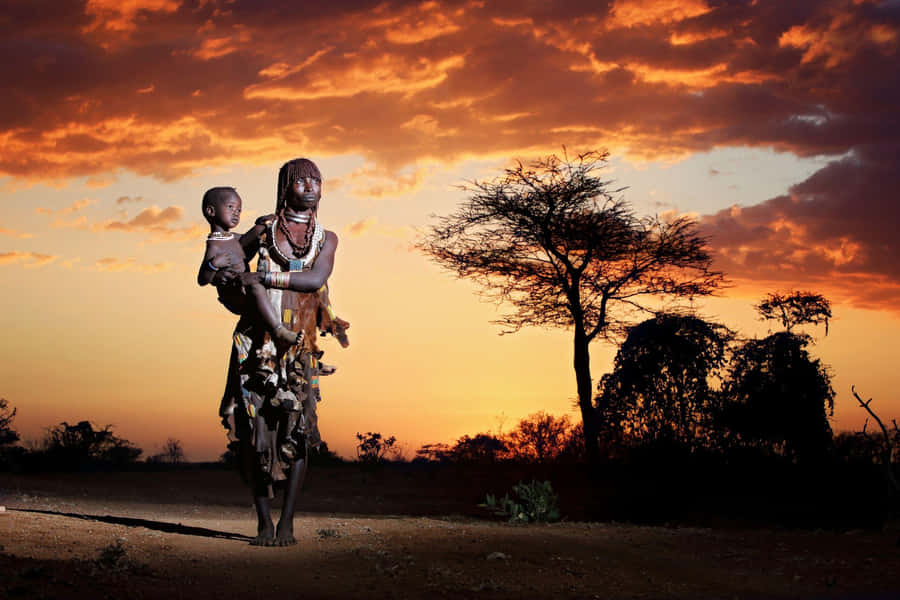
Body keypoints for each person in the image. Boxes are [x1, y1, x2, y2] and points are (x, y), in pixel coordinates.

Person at [219, 158, 348, 546]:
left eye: (316, 181)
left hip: (300, 343)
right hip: (256, 343)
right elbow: (221, 266)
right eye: (300, 181)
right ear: (285, 186)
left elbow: (315, 278)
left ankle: (288, 522)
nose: (309, 187)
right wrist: (230, 269)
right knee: (254, 429)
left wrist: (264, 276)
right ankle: (263, 522)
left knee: (299, 430)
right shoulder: (262, 232)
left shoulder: (327, 238)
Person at [197, 186, 301, 348]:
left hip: (245, 286)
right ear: (211, 211)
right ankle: (278, 331)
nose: (236, 212)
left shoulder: (234, 238)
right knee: (256, 285)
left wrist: (262, 224)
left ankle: (301, 265)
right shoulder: (214, 245)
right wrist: (214, 266)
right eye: (230, 207)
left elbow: (248, 243)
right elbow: (202, 279)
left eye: (239, 209)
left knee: (272, 268)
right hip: (235, 295)